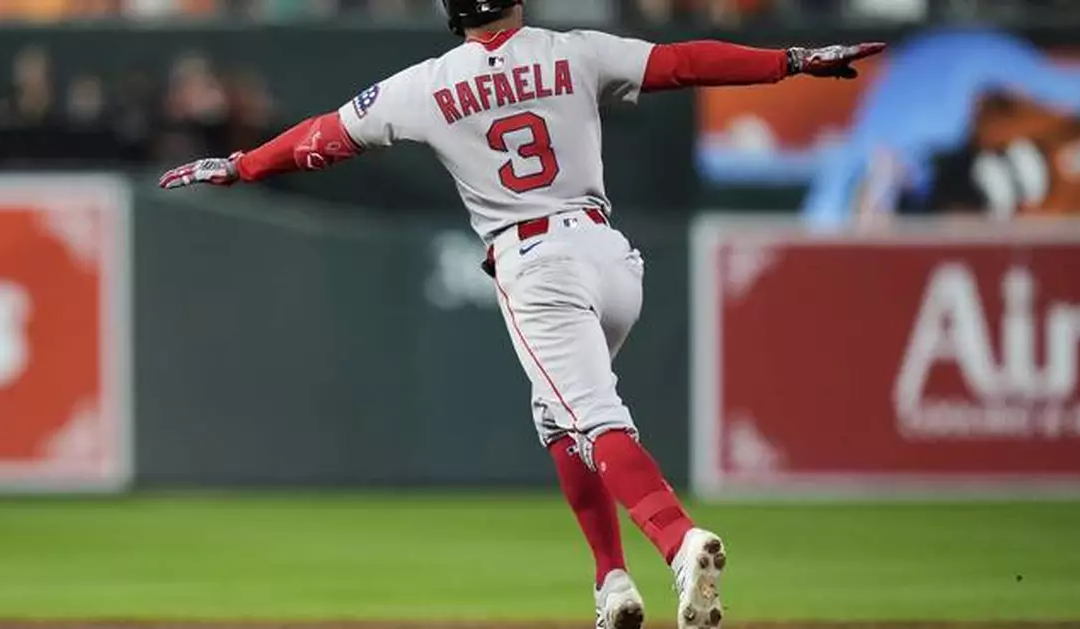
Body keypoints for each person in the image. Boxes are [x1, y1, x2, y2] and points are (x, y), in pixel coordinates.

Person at [158, 3, 883, 627]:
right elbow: (686, 61)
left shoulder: (425, 85)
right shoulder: (574, 51)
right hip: (610, 257)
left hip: (536, 265)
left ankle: (678, 540)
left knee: (596, 420)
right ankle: (612, 582)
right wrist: (788, 60)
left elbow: (324, 137)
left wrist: (242, 164)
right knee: (557, 416)